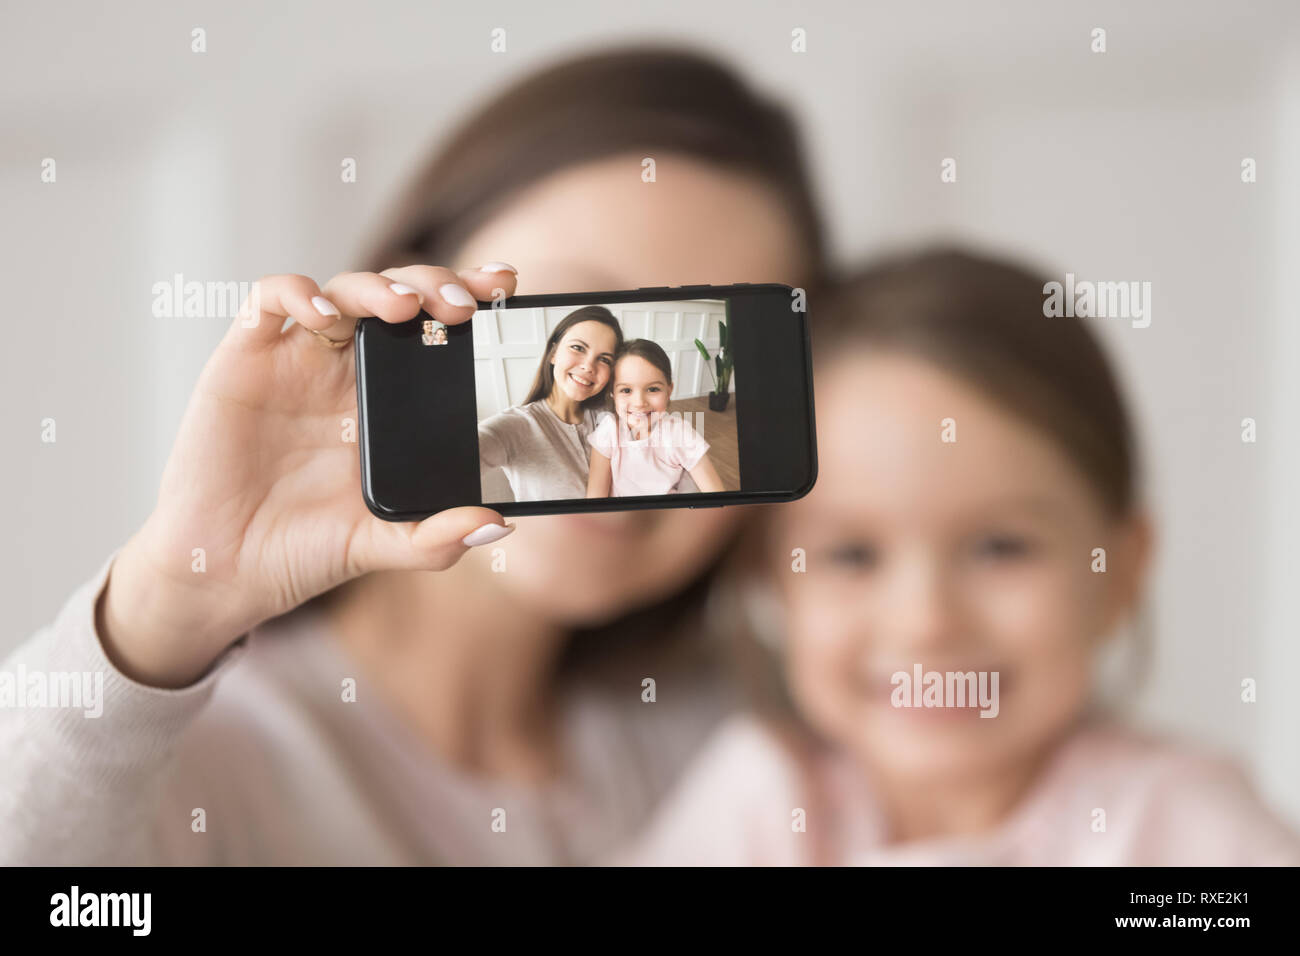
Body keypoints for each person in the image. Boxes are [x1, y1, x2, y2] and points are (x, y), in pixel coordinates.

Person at [0, 47, 828, 865]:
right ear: (436, 286)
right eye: (577, 312)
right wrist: (172, 601)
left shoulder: (749, 749)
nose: (616, 391)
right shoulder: (209, 759)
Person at [615, 249, 1300, 866]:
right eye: (852, 555)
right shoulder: (762, 800)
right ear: (770, 578)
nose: (926, 621)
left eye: (1001, 547)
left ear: (1121, 571)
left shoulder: (1184, 826)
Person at [479, 306, 622, 502]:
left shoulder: (612, 418)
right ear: (553, 353)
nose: (588, 366)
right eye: (578, 348)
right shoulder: (517, 425)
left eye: (604, 359)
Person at [586, 339, 724, 498]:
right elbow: (595, 499)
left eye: (653, 389)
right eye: (626, 390)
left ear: (669, 390)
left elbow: (717, 496)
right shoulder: (608, 431)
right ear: (613, 393)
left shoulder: (680, 433)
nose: (639, 403)